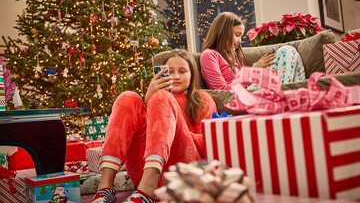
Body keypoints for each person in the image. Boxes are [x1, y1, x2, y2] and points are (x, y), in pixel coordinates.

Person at [91, 49, 217, 203]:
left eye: (182, 71)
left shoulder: (203, 99)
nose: (175, 76)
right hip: (145, 169)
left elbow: (210, 143)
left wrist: (174, 129)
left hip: (185, 172)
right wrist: (148, 100)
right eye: (169, 72)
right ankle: (105, 188)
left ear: (192, 75)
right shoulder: (153, 99)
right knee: (127, 97)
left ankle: (147, 191)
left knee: (162, 98)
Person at [200, 12, 305, 90]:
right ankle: (284, 95)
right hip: (240, 94)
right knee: (287, 50)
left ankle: (297, 94)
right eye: (237, 35)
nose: (240, 41)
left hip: (251, 87)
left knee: (289, 50)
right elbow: (222, 91)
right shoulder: (209, 55)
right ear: (223, 32)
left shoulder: (231, 56)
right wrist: (251, 71)